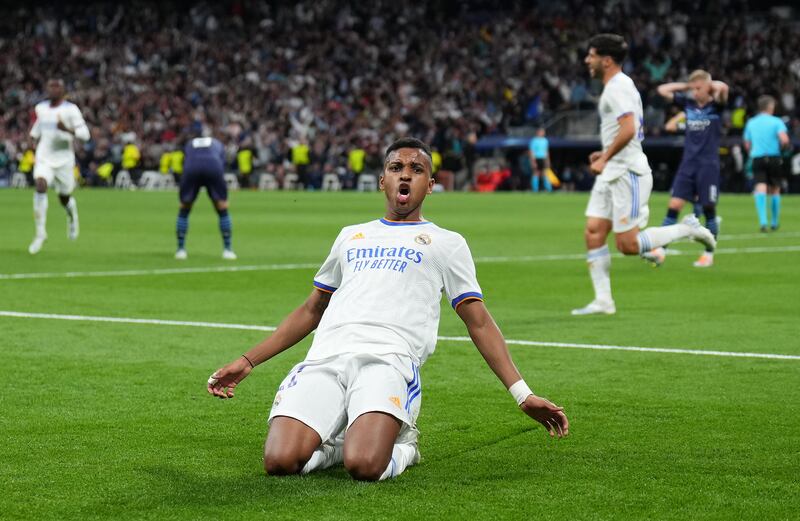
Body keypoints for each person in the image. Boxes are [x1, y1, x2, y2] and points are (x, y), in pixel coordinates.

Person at [207, 137, 569, 481]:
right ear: (383, 181)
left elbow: (479, 323)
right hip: (326, 359)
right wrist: (248, 360)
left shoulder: (447, 243)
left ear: (430, 184)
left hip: (389, 362)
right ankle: (337, 444)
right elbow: (312, 309)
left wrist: (522, 393)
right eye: (396, 167)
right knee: (279, 461)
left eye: (417, 168)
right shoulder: (351, 235)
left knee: (365, 467)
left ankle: (405, 447)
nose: (406, 173)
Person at [573, 34, 716, 316]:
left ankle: (688, 229)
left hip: (628, 172)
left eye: (591, 55)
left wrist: (606, 157)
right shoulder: (616, 86)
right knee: (593, 232)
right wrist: (603, 156)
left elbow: (629, 128)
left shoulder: (617, 87)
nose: (587, 60)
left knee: (627, 245)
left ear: (607, 60)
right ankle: (604, 301)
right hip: (612, 170)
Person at [646, 71, 729, 268]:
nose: (695, 92)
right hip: (688, 164)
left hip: (708, 165)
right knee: (674, 206)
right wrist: (687, 86)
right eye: (694, 88)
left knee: (709, 209)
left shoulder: (716, 106)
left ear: (708, 88)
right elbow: (662, 90)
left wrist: (709, 83)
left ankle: (709, 253)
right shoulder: (688, 104)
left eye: (699, 88)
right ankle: (660, 250)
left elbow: (723, 88)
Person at [27, 78, 90, 255]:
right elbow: (37, 129)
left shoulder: (71, 110)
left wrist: (67, 129)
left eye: (57, 86)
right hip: (44, 157)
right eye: (50, 86)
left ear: (63, 90)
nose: (53, 89)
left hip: (64, 160)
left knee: (64, 197)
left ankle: (71, 215)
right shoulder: (41, 108)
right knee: (40, 185)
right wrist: (32, 139)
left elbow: (85, 135)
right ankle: (40, 233)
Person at [175, 134, 236, 260]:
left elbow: (185, 160)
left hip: (192, 167)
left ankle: (181, 250)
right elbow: (222, 162)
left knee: (184, 208)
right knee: (222, 207)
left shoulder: (190, 143)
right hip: (213, 166)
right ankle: (228, 250)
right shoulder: (218, 143)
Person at [743, 95, 790, 232]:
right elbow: (784, 139)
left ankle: (763, 222)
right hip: (774, 157)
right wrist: (782, 150)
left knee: (760, 188)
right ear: (770, 107)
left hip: (757, 157)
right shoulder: (777, 121)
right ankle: (774, 222)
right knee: (775, 189)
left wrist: (753, 151)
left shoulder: (751, 122)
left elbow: (747, 143)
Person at [528, 127, 552, 193]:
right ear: (538, 132)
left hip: (543, 158)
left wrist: (548, 160)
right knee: (536, 173)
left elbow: (546, 151)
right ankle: (535, 189)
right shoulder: (534, 140)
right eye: (541, 132)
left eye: (543, 132)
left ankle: (548, 189)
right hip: (536, 158)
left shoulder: (545, 141)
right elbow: (531, 151)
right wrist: (533, 161)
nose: (543, 133)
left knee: (545, 173)